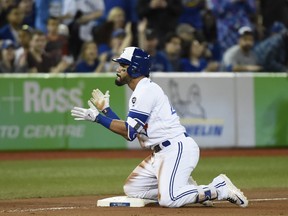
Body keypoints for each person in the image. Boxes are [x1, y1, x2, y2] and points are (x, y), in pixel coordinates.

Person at [71, 46, 248, 208]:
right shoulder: (142, 90)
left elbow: (129, 132)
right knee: (133, 189)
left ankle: (218, 187)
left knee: (168, 200)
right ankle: (189, 190)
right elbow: (129, 131)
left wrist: (97, 117)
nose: (117, 69)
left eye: (122, 65)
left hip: (175, 148)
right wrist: (106, 110)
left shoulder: (145, 91)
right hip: (161, 153)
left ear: (134, 68)